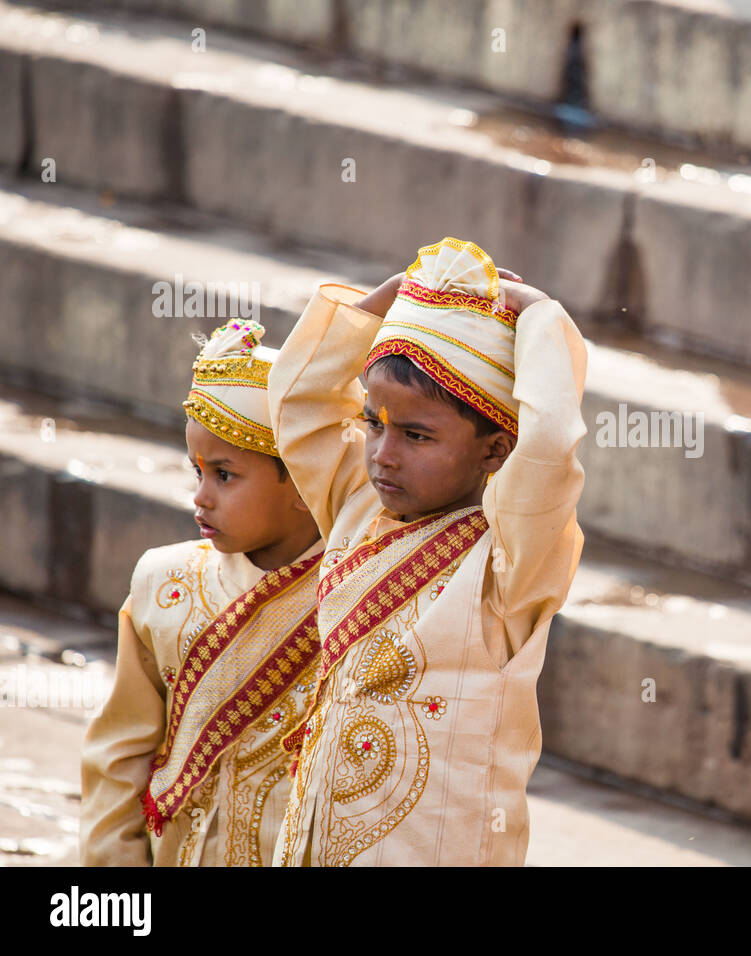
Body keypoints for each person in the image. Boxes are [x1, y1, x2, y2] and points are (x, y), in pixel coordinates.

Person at [267, 237, 586, 866]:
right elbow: (299, 404)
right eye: (375, 424)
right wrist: (379, 307)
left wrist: (542, 317)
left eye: (417, 435)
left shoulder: (510, 565)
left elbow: (548, 444)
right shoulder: (358, 509)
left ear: (496, 451)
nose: (384, 454)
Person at [81, 320, 324, 866]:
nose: (200, 497)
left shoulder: (353, 597)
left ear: (305, 482)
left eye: (225, 474)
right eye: (196, 470)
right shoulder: (162, 582)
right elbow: (118, 758)